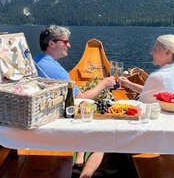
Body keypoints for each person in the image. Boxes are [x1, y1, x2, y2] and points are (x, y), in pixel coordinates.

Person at [34, 25, 115, 178]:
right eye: (65, 42)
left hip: (47, 110)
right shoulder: (53, 68)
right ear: (52, 43)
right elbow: (79, 97)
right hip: (59, 117)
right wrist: (103, 84)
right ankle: (85, 175)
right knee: (104, 132)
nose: (69, 45)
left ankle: (79, 159)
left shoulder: (38, 60)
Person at [119, 34, 174, 103]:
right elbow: (154, 91)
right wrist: (128, 84)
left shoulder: (157, 76)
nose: (152, 52)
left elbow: (142, 103)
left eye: (155, 49)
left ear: (167, 52)